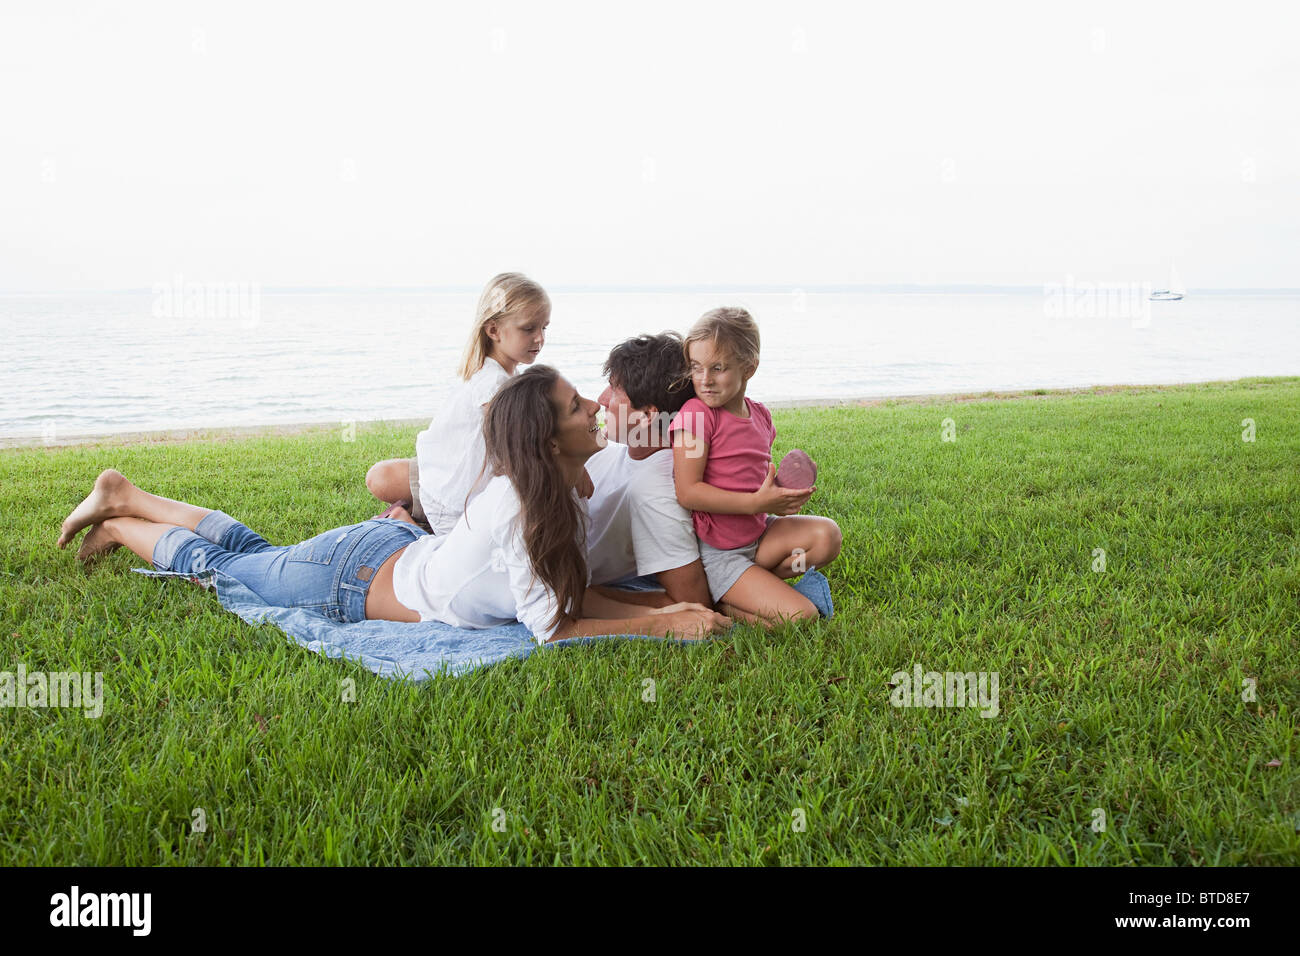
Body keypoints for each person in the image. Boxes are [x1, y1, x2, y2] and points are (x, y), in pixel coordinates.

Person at [56, 366, 731, 644]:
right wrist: (661, 624)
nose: (594, 413)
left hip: (389, 554)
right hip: (350, 582)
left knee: (254, 556)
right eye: (580, 407)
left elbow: (571, 597)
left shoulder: (566, 489)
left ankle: (127, 494)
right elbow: (554, 631)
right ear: (548, 440)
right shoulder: (521, 508)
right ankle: (119, 520)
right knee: (224, 569)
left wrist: (669, 605)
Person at [669, 307, 842, 624]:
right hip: (721, 554)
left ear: (749, 368)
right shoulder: (695, 415)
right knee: (801, 617)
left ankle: (757, 584)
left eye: (717, 368)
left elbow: (750, 478)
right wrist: (756, 502)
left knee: (827, 537)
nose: (704, 380)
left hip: (760, 537)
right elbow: (688, 491)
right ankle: (722, 603)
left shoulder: (760, 415)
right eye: (696, 368)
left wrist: (779, 495)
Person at [364, 272, 551, 534]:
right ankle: (403, 524)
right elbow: (517, 446)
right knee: (450, 560)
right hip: (456, 494)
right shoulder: (492, 382)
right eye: (529, 328)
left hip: (457, 476)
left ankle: (409, 515)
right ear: (494, 330)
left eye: (544, 327)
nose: (540, 337)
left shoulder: (505, 374)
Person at [584, 332, 713, 608]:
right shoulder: (612, 449)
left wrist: (584, 597)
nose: (601, 400)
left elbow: (692, 601)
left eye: (614, 390)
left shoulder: (654, 490)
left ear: (646, 416)